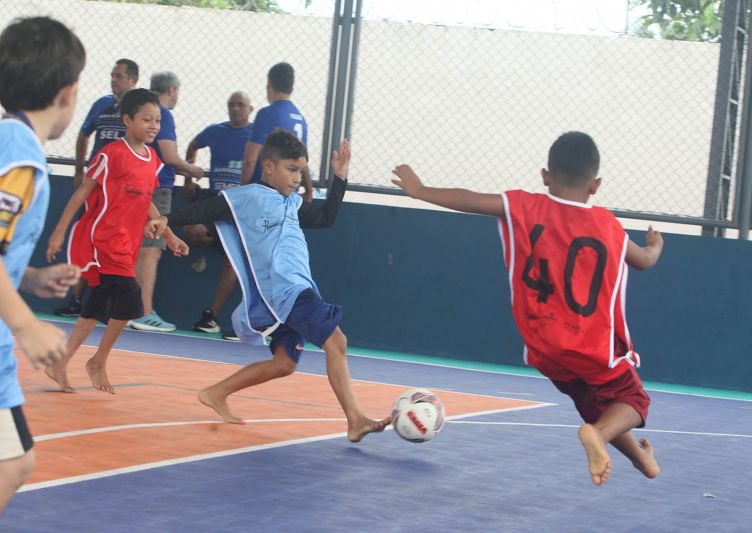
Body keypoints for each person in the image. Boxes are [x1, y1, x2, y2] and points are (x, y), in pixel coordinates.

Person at [392, 132, 663, 486]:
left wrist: (420, 190)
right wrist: (656, 246)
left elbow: (471, 199)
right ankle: (597, 436)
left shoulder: (524, 206)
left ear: (545, 176)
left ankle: (642, 461)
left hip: (542, 346)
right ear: (595, 185)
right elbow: (642, 260)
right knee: (632, 400)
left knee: (596, 405)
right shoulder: (608, 225)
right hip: (591, 345)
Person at [146, 131, 389, 443]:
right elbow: (207, 210)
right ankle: (355, 420)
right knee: (336, 342)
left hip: (296, 291)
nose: (297, 178)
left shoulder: (292, 203)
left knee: (284, 363)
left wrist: (339, 177)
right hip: (284, 291)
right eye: (291, 169)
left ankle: (216, 392)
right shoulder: (246, 197)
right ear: (269, 167)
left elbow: (327, 218)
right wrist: (167, 219)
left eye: (301, 171)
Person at [0, 16, 84, 532]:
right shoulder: (17, 152)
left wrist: (28, 278)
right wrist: (26, 324)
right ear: (69, 92)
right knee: (10, 462)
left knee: (6, 459)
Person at [45, 89, 189, 395]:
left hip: (128, 243)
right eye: (146, 119)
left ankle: (61, 361)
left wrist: (168, 233)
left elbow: (148, 200)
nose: (153, 125)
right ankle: (99, 359)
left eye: (158, 120)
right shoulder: (111, 154)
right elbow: (83, 192)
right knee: (130, 297)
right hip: (105, 239)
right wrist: (59, 232)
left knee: (96, 306)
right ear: (127, 120)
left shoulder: (152, 158)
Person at [54, 58, 139, 318]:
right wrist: (80, 169)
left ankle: (107, 303)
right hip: (95, 187)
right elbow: (83, 134)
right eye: (112, 75)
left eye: (119, 76)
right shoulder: (102, 105)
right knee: (87, 239)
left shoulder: (139, 110)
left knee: (114, 246)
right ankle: (76, 299)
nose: (114, 80)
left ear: (133, 80)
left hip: (121, 193)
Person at [129, 71, 204, 333]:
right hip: (156, 188)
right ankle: (142, 311)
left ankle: (129, 308)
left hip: (141, 186)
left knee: (138, 248)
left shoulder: (140, 113)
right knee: (151, 249)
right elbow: (170, 157)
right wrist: (192, 171)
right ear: (171, 90)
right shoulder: (165, 114)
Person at [183, 91, 254, 337]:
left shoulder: (257, 136)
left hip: (242, 211)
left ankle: (211, 317)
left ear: (250, 109)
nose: (236, 109)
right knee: (191, 231)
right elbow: (193, 144)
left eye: (241, 105)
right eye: (231, 104)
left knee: (232, 262)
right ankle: (222, 241)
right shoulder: (216, 131)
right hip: (216, 206)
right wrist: (189, 178)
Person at [240, 62, 313, 201]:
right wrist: (309, 190)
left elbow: (250, 159)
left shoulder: (267, 114)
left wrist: (243, 192)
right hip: (289, 193)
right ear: (291, 87)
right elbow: (303, 161)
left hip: (265, 192)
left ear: (269, 84)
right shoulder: (300, 118)